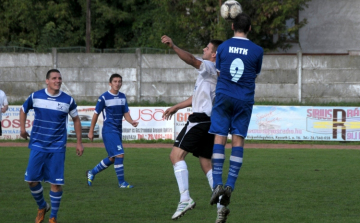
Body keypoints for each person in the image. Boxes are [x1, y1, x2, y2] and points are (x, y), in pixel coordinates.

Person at [160, 35, 225, 221]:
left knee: (175, 156)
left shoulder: (210, 67)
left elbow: (191, 60)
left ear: (214, 54)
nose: (203, 50)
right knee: (206, 163)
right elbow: (196, 98)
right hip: (210, 122)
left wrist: (174, 46)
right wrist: (176, 107)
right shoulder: (212, 72)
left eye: (207, 48)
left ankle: (185, 198)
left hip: (199, 120)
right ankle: (221, 205)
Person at [209, 13, 264, 222]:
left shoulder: (222, 47)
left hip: (224, 96)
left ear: (232, 26)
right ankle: (230, 185)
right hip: (244, 99)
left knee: (219, 138)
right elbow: (255, 73)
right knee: (238, 139)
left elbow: (220, 72)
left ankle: (217, 184)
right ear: (249, 28)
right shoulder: (258, 50)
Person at [20, 69, 84, 223]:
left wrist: (79, 142)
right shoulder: (36, 96)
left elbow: (76, 119)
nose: (58, 81)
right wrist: (22, 129)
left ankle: (53, 217)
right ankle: (42, 206)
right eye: (54, 78)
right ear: (47, 81)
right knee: (31, 180)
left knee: (55, 183)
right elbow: (23, 110)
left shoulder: (68, 100)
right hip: (37, 145)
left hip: (57, 147)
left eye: (60, 78)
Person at [87, 73, 139, 188]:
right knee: (120, 154)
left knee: (112, 158)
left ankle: (92, 172)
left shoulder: (122, 97)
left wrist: (131, 121)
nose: (117, 83)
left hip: (118, 130)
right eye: (115, 81)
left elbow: (125, 113)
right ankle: (122, 183)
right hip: (109, 130)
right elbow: (96, 114)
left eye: (119, 81)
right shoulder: (104, 97)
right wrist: (91, 131)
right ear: (110, 83)